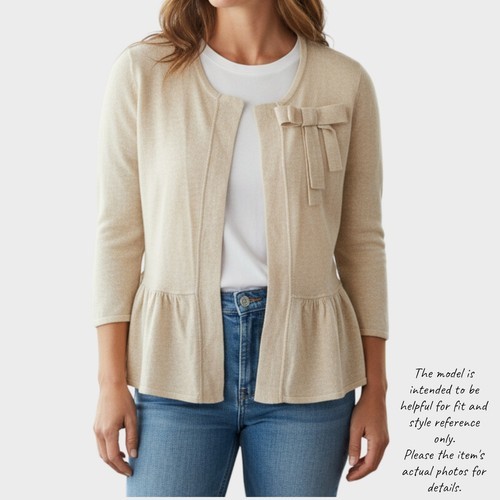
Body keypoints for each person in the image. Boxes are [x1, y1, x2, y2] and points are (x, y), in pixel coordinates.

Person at [92, 0, 389, 496]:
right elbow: (117, 235)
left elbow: (362, 243)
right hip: (173, 369)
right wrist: (110, 383)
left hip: (310, 373)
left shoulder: (344, 81)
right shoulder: (145, 72)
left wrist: (376, 390)